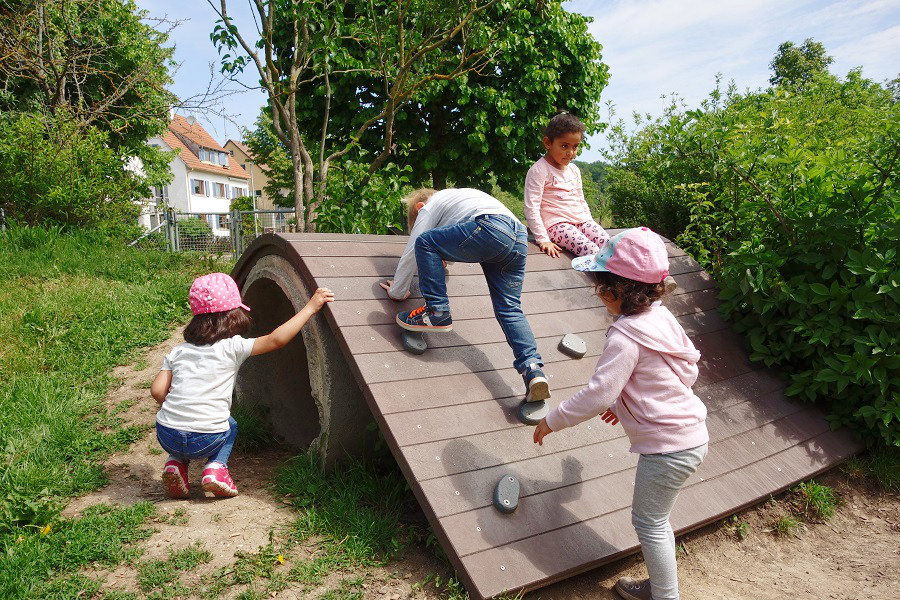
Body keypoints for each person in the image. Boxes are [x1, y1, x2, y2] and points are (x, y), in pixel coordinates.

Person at [532, 227, 708, 600]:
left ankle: (665, 596)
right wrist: (624, 402)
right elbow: (684, 370)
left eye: (600, 289)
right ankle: (660, 587)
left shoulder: (626, 336)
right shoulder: (661, 319)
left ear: (616, 292)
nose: (599, 297)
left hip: (668, 450)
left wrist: (554, 419)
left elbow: (597, 394)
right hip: (692, 435)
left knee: (650, 522)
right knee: (657, 519)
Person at [150, 272, 334, 499]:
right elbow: (276, 339)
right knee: (231, 425)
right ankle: (216, 469)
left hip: (167, 434)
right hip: (207, 438)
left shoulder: (178, 352)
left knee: (181, 428)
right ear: (233, 316)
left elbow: (157, 391)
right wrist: (310, 307)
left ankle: (175, 463)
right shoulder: (232, 347)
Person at [379, 187, 550, 403]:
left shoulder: (429, 206)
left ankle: (436, 311)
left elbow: (417, 244)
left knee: (425, 241)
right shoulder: (461, 201)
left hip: (492, 228)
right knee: (510, 309)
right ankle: (533, 371)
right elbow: (459, 243)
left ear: (419, 208)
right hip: (518, 238)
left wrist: (398, 290)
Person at [524, 111, 610, 258]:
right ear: (547, 143)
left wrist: (590, 223)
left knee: (609, 245)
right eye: (564, 146)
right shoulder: (539, 170)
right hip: (556, 225)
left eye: (575, 147)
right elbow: (531, 207)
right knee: (592, 250)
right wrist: (543, 239)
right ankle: (606, 281)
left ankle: (629, 278)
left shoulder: (574, 170)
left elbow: (580, 200)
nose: (570, 152)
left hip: (581, 221)